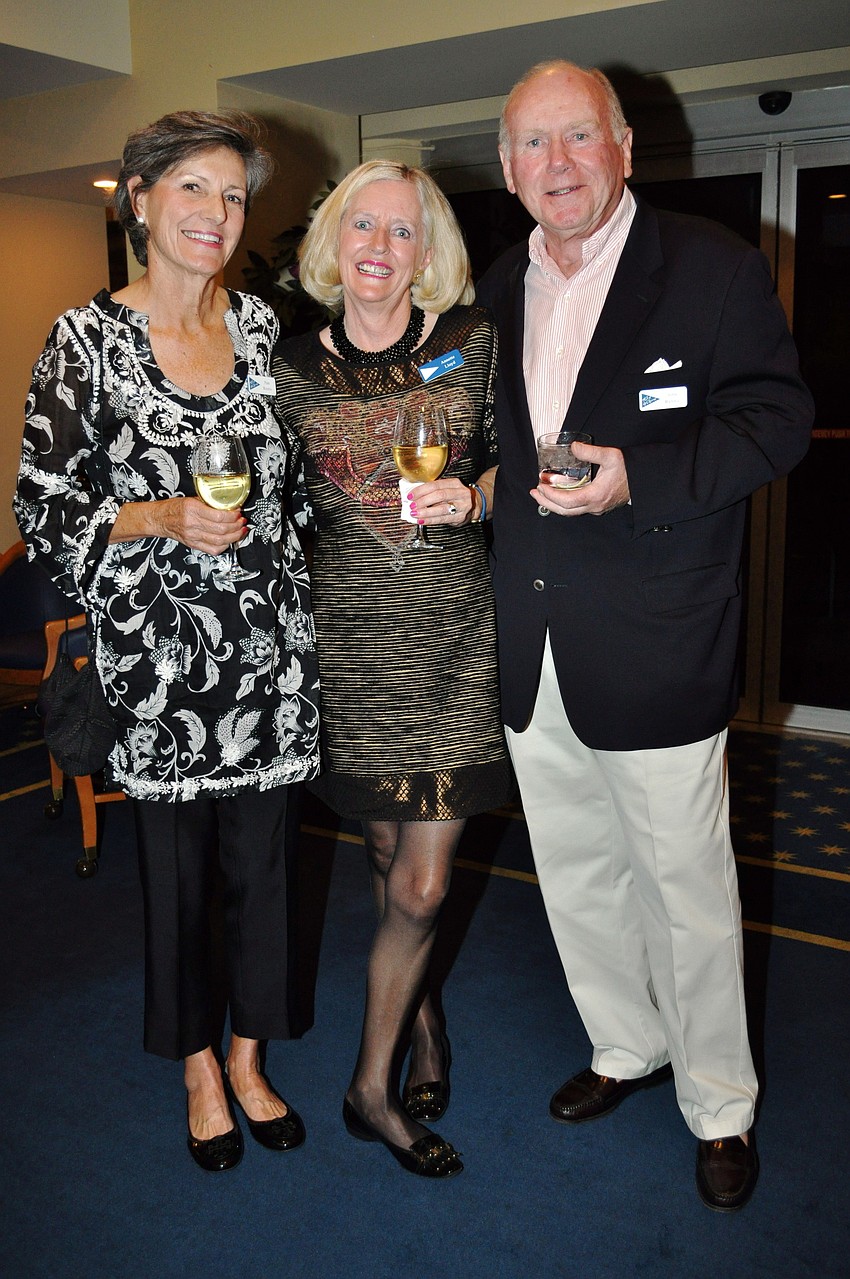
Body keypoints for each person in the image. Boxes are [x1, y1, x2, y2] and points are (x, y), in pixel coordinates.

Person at [477, 61, 814, 1211]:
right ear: (507, 168)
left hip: (660, 637)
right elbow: (486, 445)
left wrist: (642, 480)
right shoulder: (492, 288)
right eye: (532, 144)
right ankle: (625, 1042)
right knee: (575, 872)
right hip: (532, 641)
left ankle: (720, 1105)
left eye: (577, 136)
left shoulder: (711, 267)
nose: (556, 163)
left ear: (623, 145)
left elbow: (778, 419)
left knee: (685, 890)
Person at [15, 111, 320, 1173]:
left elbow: (293, 489)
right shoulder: (84, 343)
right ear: (140, 201)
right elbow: (43, 509)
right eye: (194, 187)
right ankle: (197, 1068)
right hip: (161, 668)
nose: (217, 213)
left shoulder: (264, 328)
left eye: (233, 196)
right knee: (182, 882)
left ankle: (249, 1057)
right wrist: (156, 515)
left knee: (267, 875)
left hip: (270, 656)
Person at [273, 160, 514, 1179]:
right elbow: (275, 498)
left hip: (453, 640)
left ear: (428, 252)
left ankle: (368, 1089)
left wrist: (479, 496)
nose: (379, 246)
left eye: (402, 231)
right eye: (362, 225)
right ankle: (421, 1022)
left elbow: (518, 455)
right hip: (350, 648)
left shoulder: (473, 342)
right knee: (382, 853)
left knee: (421, 882)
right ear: (335, 240)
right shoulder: (287, 364)